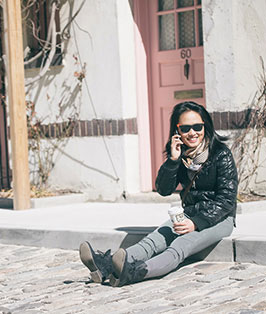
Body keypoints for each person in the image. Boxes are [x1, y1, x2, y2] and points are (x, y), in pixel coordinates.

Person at [79, 101, 238, 287]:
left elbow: (227, 199)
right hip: (188, 214)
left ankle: (135, 272)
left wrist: (196, 223)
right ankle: (106, 265)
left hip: (219, 219)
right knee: (152, 241)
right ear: (177, 131)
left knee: (179, 247)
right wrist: (172, 161)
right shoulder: (181, 155)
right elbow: (163, 190)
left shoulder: (221, 154)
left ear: (206, 126)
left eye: (197, 126)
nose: (192, 133)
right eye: (186, 128)